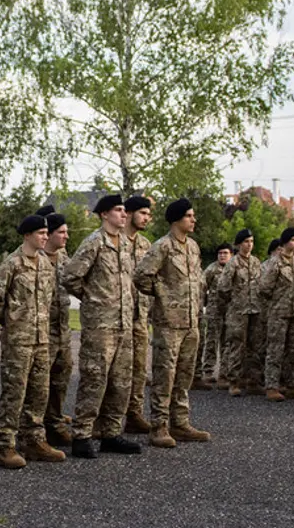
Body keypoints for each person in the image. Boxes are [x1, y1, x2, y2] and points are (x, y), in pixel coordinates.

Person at [61, 195, 142, 459]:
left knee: (121, 382)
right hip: (100, 326)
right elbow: (71, 276)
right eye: (118, 210)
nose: (123, 215)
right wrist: (93, 299)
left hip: (124, 324)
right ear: (104, 214)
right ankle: (82, 435)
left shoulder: (126, 245)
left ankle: (111, 433)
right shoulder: (94, 242)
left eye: (123, 210)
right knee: (95, 380)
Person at [0, 214, 64, 468]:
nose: (44, 236)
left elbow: (49, 300)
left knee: (39, 392)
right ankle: (6, 444)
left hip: (41, 339)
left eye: (46, 233)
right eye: (40, 233)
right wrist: (10, 320)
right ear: (27, 235)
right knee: (14, 392)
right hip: (19, 340)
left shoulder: (45, 264)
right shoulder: (13, 264)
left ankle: (34, 439)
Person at [133, 199, 210, 448]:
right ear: (177, 219)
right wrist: (163, 295)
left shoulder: (193, 247)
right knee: (165, 375)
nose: (194, 220)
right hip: (168, 323)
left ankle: (180, 422)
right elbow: (141, 276)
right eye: (189, 215)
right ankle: (159, 426)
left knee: (184, 375)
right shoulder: (162, 247)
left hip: (190, 322)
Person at [259, 227, 294, 401]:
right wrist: (276, 302)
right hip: (279, 312)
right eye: (293, 240)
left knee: (293, 350)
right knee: (275, 349)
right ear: (285, 242)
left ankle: (292, 384)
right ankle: (272, 385)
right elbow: (264, 288)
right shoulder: (275, 262)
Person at [38, 209, 75, 445]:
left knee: (61, 379)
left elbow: (76, 281)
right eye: (61, 232)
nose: (66, 237)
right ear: (49, 234)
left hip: (62, 330)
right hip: (40, 332)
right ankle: (34, 429)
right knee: (38, 384)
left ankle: (54, 422)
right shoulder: (34, 258)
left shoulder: (64, 259)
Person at [216, 230, 265, 396]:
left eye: (251, 241)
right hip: (238, 311)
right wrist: (232, 303)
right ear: (238, 244)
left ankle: (253, 380)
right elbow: (223, 287)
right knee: (237, 345)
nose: (249, 244)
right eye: (245, 241)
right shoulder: (233, 263)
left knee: (255, 346)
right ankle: (234, 381)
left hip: (255, 309)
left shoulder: (256, 262)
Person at [122, 195, 154, 435]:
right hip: (115, 318)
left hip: (139, 315)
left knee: (139, 368)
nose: (147, 218)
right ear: (129, 213)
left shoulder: (145, 245)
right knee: (113, 372)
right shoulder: (113, 240)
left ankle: (134, 414)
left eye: (149, 214)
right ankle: (105, 420)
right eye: (143, 213)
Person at [195, 243, 232, 390]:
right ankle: (208, 371)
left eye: (225, 253)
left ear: (231, 255)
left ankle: (225, 371)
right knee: (211, 340)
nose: (222, 255)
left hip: (229, 311)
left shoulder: (232, 268)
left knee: (227, 342)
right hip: (214, 310)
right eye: (220, 253)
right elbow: (202, 288)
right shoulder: (211, 269)